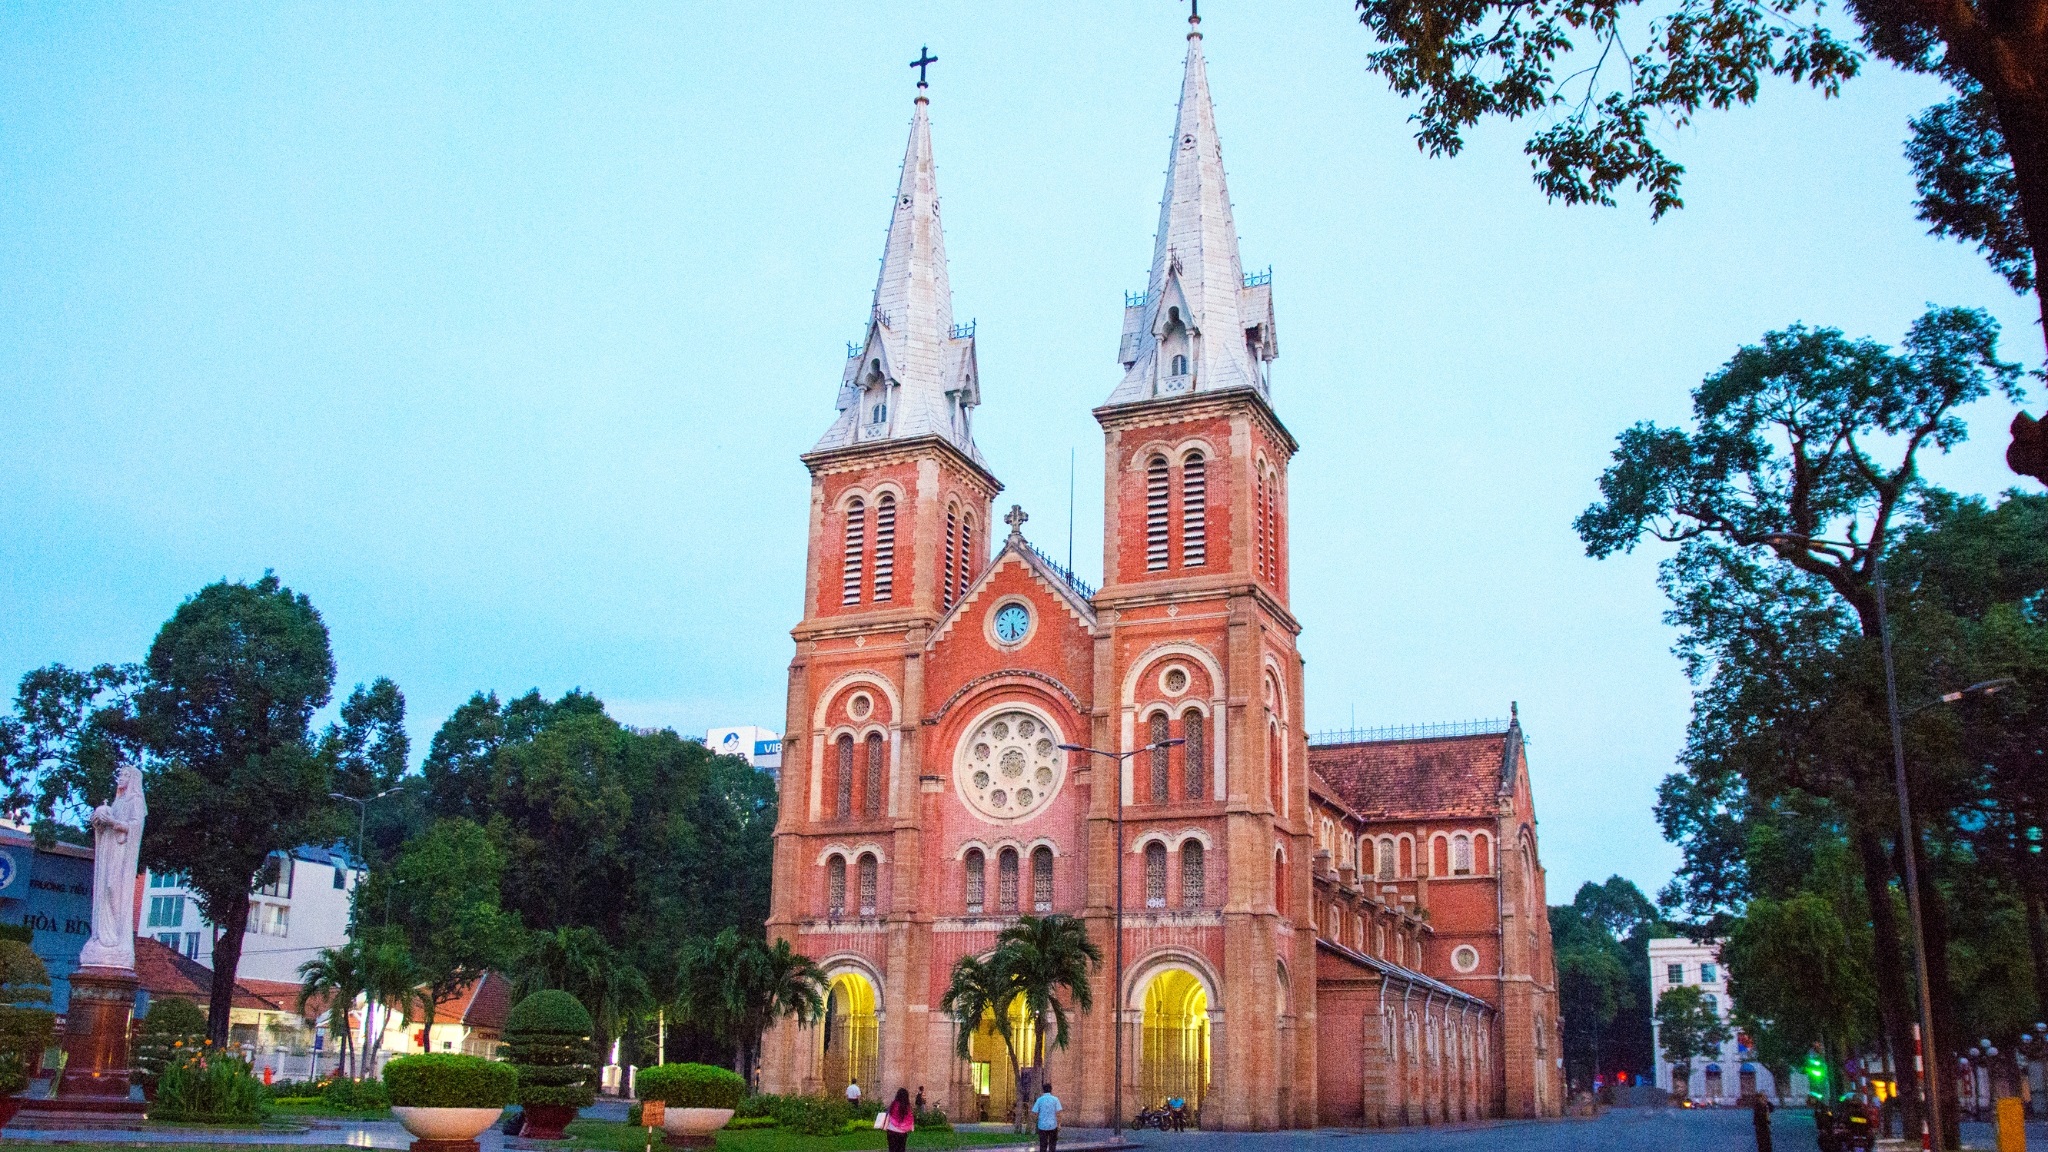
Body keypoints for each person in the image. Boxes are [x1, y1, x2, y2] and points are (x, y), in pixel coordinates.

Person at [1031, 1082, 1062, 1152]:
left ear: (1043, 1090)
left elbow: (1034, 1112)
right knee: (1052, 1144)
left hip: (1042, 1125)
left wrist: (1035, 1121)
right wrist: (1059, 1124)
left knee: (1043, 1145)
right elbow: (1059, 1113)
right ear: (1051, 1090)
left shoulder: (1039, 1100)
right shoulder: (1055, 1099)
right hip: (1053, 1125)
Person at [883, 1088, 915, 1152]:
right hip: (902, 1132)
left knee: (892, 1149)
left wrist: (885, 1127)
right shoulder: (907, 1106)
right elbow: (910, 1118)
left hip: (891, 1130)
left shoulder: (894, 1104)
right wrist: (911, 1128)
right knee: (901, 1149)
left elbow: (889, 1115)